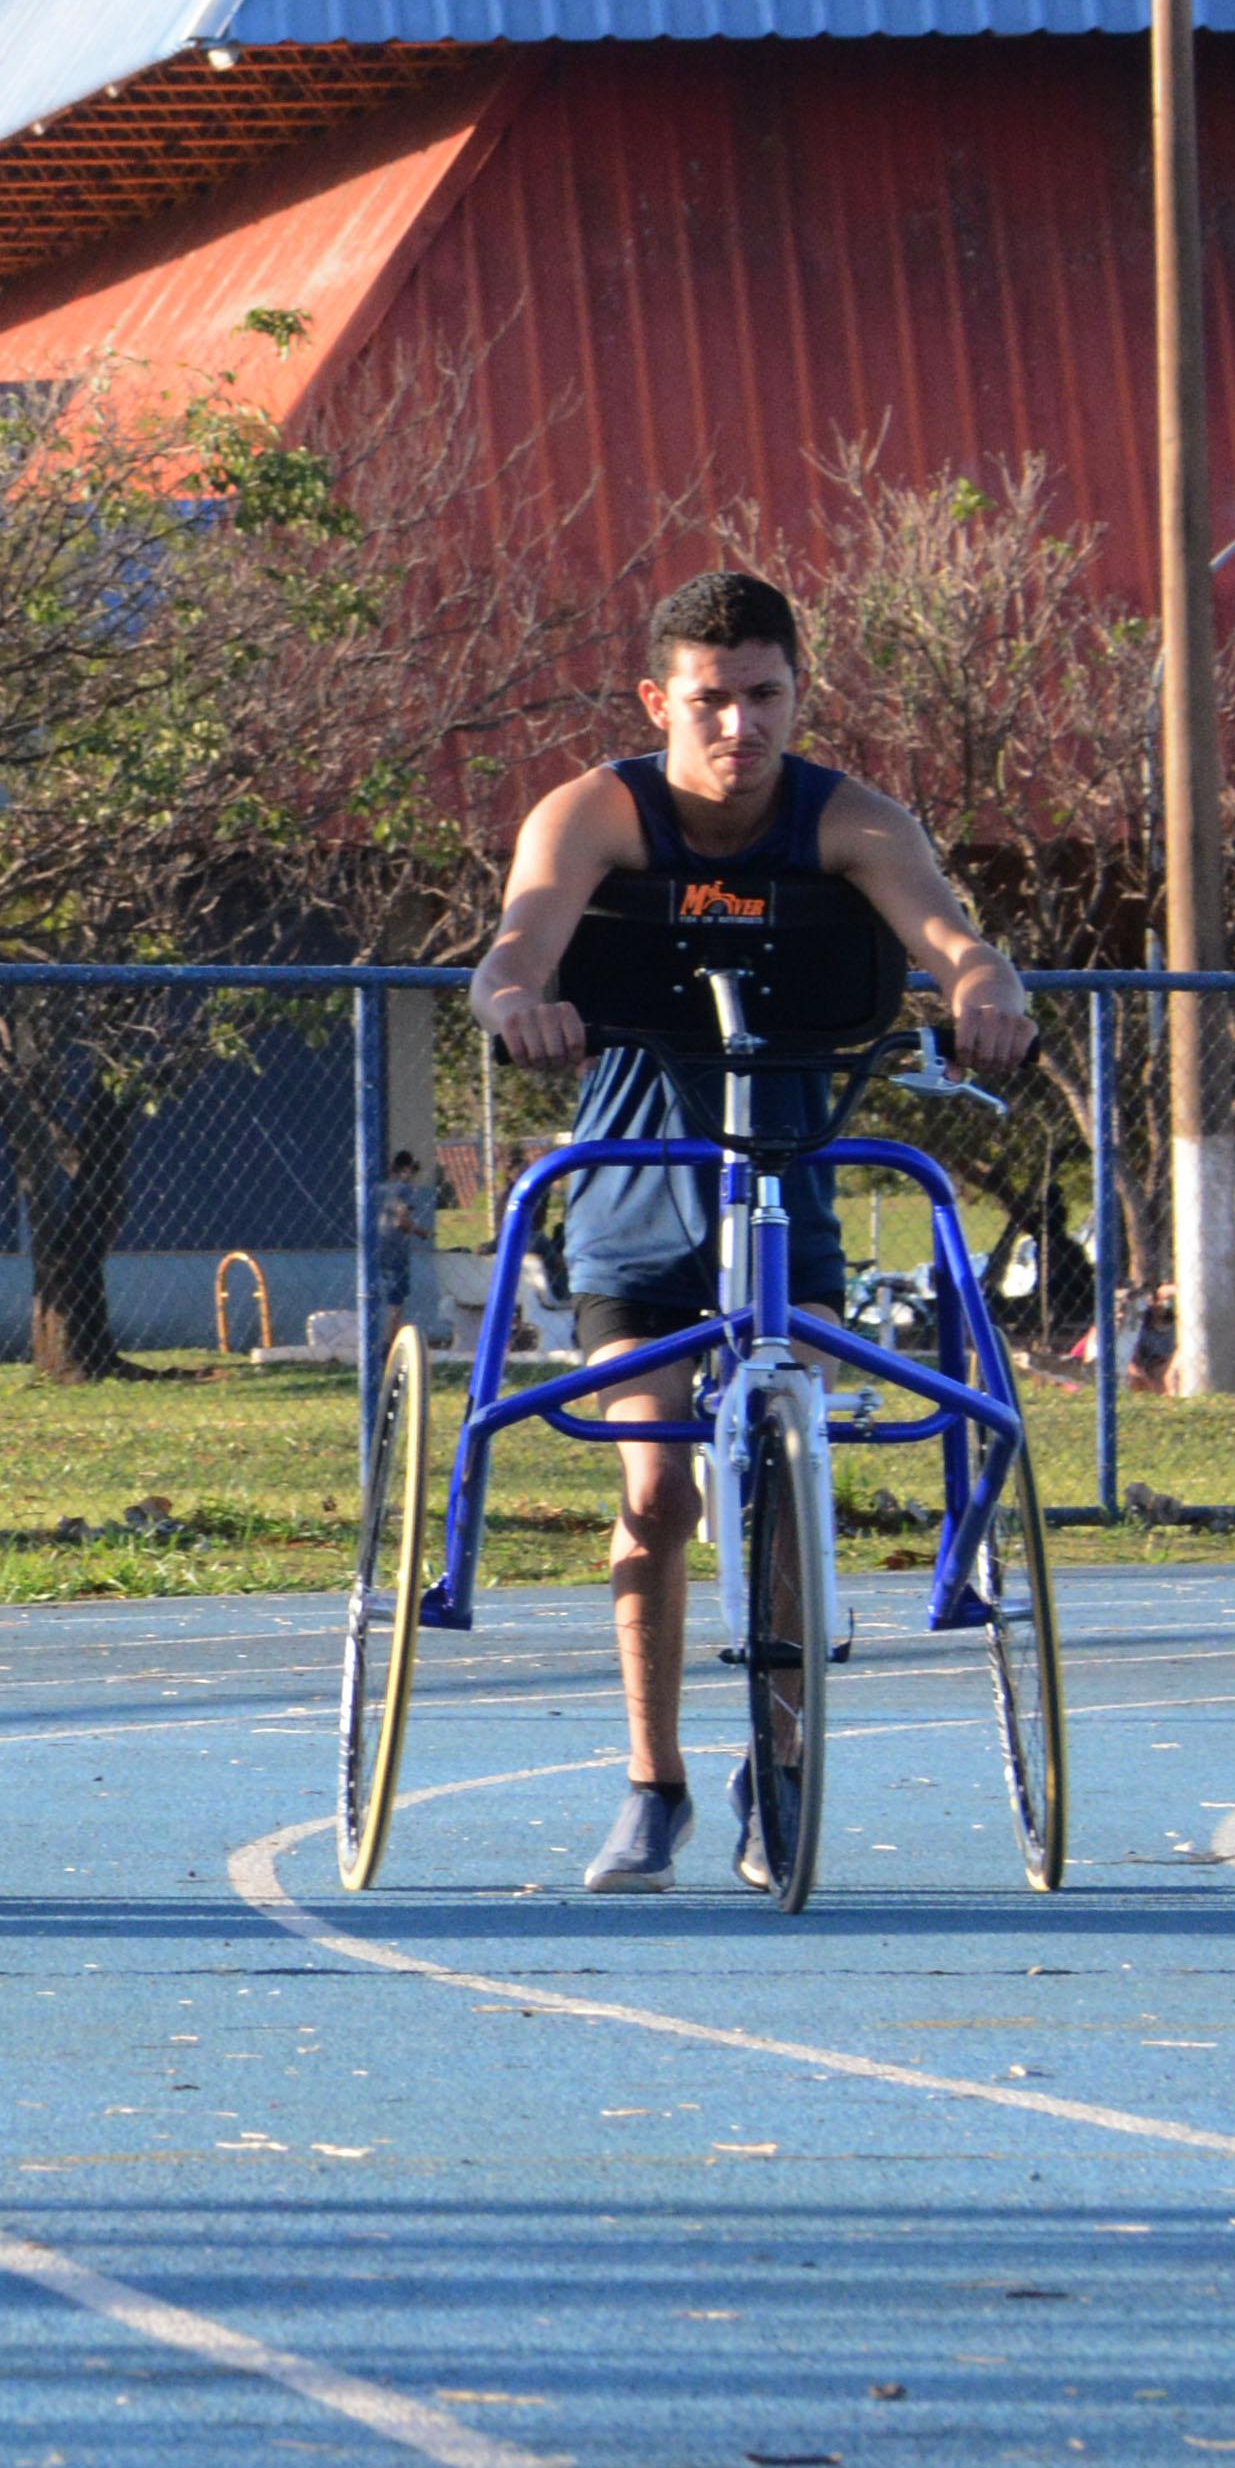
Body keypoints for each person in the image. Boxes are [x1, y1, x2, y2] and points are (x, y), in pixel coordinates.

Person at [464, 567, 1032, 1897]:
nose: (740, 729)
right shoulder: (595, 812)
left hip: (787, 1183)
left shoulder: (855, 821)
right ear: (660, 701)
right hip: (638, 1191)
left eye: (765, 697)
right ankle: (653, 1779)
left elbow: (951, 936)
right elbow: (513, 948)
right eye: (712, 701)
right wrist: (514, 1006)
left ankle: (777, 1760)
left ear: (798, 697)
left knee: (785, 1479)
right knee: (657, 1488)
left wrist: (984, 985)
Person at [370, 1147, 445, 1344]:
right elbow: (401, 1220)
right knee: (396, 1301)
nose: (413, 1178)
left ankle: (374, 1340)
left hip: (376, 1246)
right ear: (405, 1170)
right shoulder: (403, 1189)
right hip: (395, 1248)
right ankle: (390, 1341)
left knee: (374, 1295)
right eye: (412, 1172)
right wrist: (423, 1233)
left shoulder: (378, 1188)